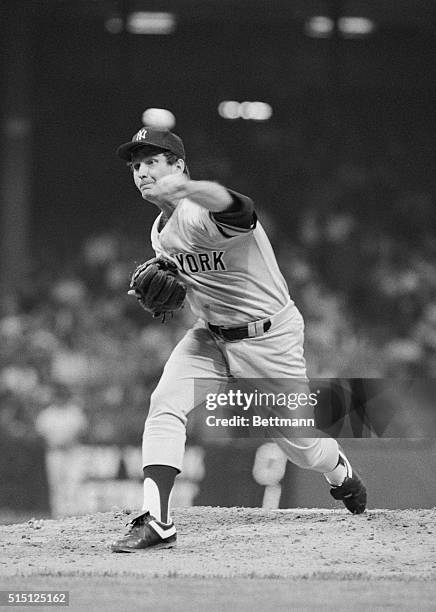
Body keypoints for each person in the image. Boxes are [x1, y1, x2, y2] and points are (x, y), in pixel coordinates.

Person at [111, 126, 367, 553]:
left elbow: (241, 208)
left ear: (179, 166)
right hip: (209, 339)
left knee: (303, 449)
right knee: (164, 405)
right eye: (136, 165)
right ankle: (157, 520)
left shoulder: (198, 209)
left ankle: (338, 470)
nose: (141, 171)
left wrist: (192, 188)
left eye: (153, 161)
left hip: (269, 340)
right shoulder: (159, 233)